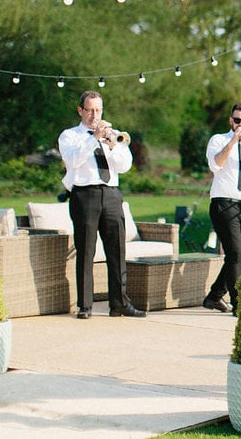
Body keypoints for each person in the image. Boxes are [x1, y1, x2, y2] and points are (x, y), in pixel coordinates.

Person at [58, 90, 144, 319]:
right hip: (85, 194)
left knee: (117, 249)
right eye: (90, 110)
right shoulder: (70, 136)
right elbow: (74, 160)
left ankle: (119, 303)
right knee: (86, 250)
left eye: (98, 110)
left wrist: (111, 145)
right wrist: (93, 138)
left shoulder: (112, 134)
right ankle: (85, 305)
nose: (94, 115)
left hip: (112, 194)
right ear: (80, 110)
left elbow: (125, 166)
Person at [202, 102, 241, 315]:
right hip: (223, 202)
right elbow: (215, 164)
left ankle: (214, 296)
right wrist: (233, 142)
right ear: (231, 120)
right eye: (237, 120)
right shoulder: (218, 140)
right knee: (235, 253)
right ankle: (239, 304)